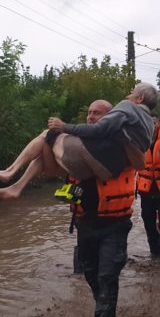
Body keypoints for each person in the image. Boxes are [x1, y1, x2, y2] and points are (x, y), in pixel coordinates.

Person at [0, 83, 158, 199]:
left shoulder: (127, 108)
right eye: (89, 113)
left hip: (93, 164)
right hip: (92, 190)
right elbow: (52, 172)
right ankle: (16, 187)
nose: (129, 96)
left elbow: (99, 130)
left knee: (49, 132)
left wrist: (64, 126)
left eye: (133, 93)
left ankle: (10, 172)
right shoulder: (149, 124)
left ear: (140, 98)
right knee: (44, 148)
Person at [54, 156, 137, 317]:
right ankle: (107, 312)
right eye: (89, 121)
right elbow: (56, 173)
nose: (91, 122)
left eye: (96, 121)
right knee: (91, 274)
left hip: (115, 225)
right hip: (86, 226)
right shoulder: (75, 153)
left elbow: (139, 158)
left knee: (107, 275)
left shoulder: (122, 148)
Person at [66, 99, 113, 275]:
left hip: (109, 215)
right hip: (83, 213)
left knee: (106, 265)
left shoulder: (116, 142)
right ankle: (80, 279)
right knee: (85, 262)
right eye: (89, 112)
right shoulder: (75, 140)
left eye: (96, 113)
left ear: (109, 118)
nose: (91, 117)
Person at [136, 112, 160, 260]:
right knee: (148, 223)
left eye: (153, 122)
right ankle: (154, 253)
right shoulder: (138, 141)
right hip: (146, 190)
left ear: (158, 123)